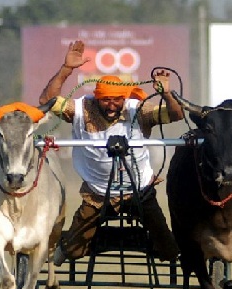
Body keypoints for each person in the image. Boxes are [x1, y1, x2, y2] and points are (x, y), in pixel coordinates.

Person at [39, 40, 183, 265]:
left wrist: (167, 93)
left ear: (124, 98)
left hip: (140, 190)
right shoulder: (81, 109)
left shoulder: (139, 110)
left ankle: (156, 246)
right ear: (97, 98)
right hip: (97, 193)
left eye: (117, 99)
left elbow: (176, 115)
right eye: (106, 99)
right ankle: (86, 242)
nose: (112, 104)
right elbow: (46, 101)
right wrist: (66, 69)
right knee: (74, 251)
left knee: (168, 250)